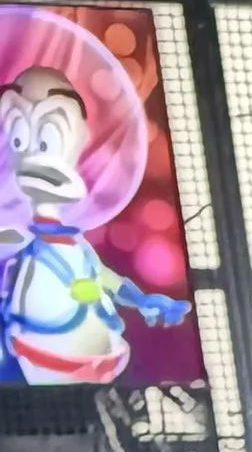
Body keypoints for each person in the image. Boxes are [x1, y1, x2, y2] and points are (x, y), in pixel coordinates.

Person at [0, 47, 188, 384]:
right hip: (31, 372)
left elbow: (104, 279)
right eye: (18, 135)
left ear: (82, 138)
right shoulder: (15, 238)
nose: (34, 156)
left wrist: (143, 300)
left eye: (49, 135)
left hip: (100, 369)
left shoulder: (77, 245)